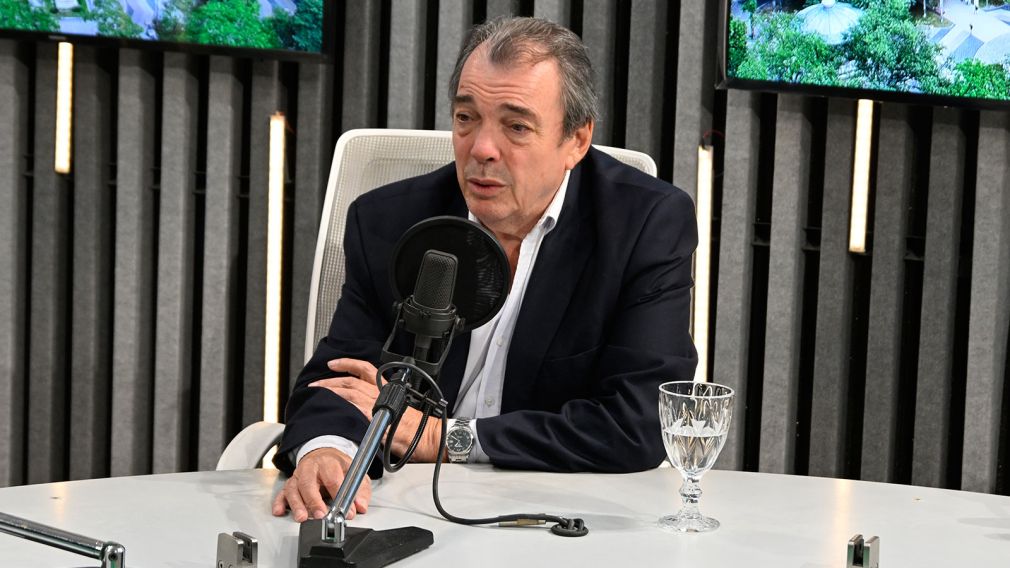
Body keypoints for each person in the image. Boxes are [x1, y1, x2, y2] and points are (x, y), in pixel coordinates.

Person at [271, 16, 698, 523]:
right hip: (401, 507)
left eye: (516, 126)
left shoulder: (645, 225)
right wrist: (327, 448)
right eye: (466, 117)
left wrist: (444, 437)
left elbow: (641, 421)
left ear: (577, 141)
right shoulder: (387, 221)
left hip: (558, 514)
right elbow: (339, 381)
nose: (481, 149)